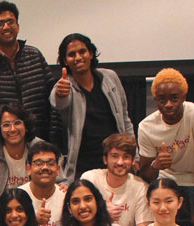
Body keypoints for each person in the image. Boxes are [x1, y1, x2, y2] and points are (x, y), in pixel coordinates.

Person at [0, 1, 57, 145]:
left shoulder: (35, 55)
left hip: (38, 139)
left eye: (10, 22)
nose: (6, 27)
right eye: (0, 23)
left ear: (17, 26)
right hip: (2, 144)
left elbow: (52, 93)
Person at [137, 68, 194, 226]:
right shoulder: (146, 126)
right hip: (169, 179)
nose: (168, 104)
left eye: (174, 98)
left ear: (183, 97)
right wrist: (156, 165)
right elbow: (146, 173)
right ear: (155, 100)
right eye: (162, 100)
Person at [51, 33, 133, 181]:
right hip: (83, 165)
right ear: (65, 60)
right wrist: (60, 93)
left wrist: (135, 155)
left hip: (115, 161)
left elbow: (125, 119)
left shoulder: (110, 77)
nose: (78, 57)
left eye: (82, 51)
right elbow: (58, 102)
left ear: (91, 53)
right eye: (71, 54)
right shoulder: (64, 85)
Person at [80, 133, 153, 226]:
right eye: (115, 156)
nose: (120, 162)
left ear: (133, 161)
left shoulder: (141, 187)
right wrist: (102, 213)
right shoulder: (90, 179)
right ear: (105, 159)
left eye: (126, 157)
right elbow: (76, 219)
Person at [18, 140, 65, 226]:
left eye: (51, 163)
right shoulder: (17, 197)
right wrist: (32, 221)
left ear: (58, 169)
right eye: (39, 163)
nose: (45, 167)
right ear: (28, 169)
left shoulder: (66, 197)